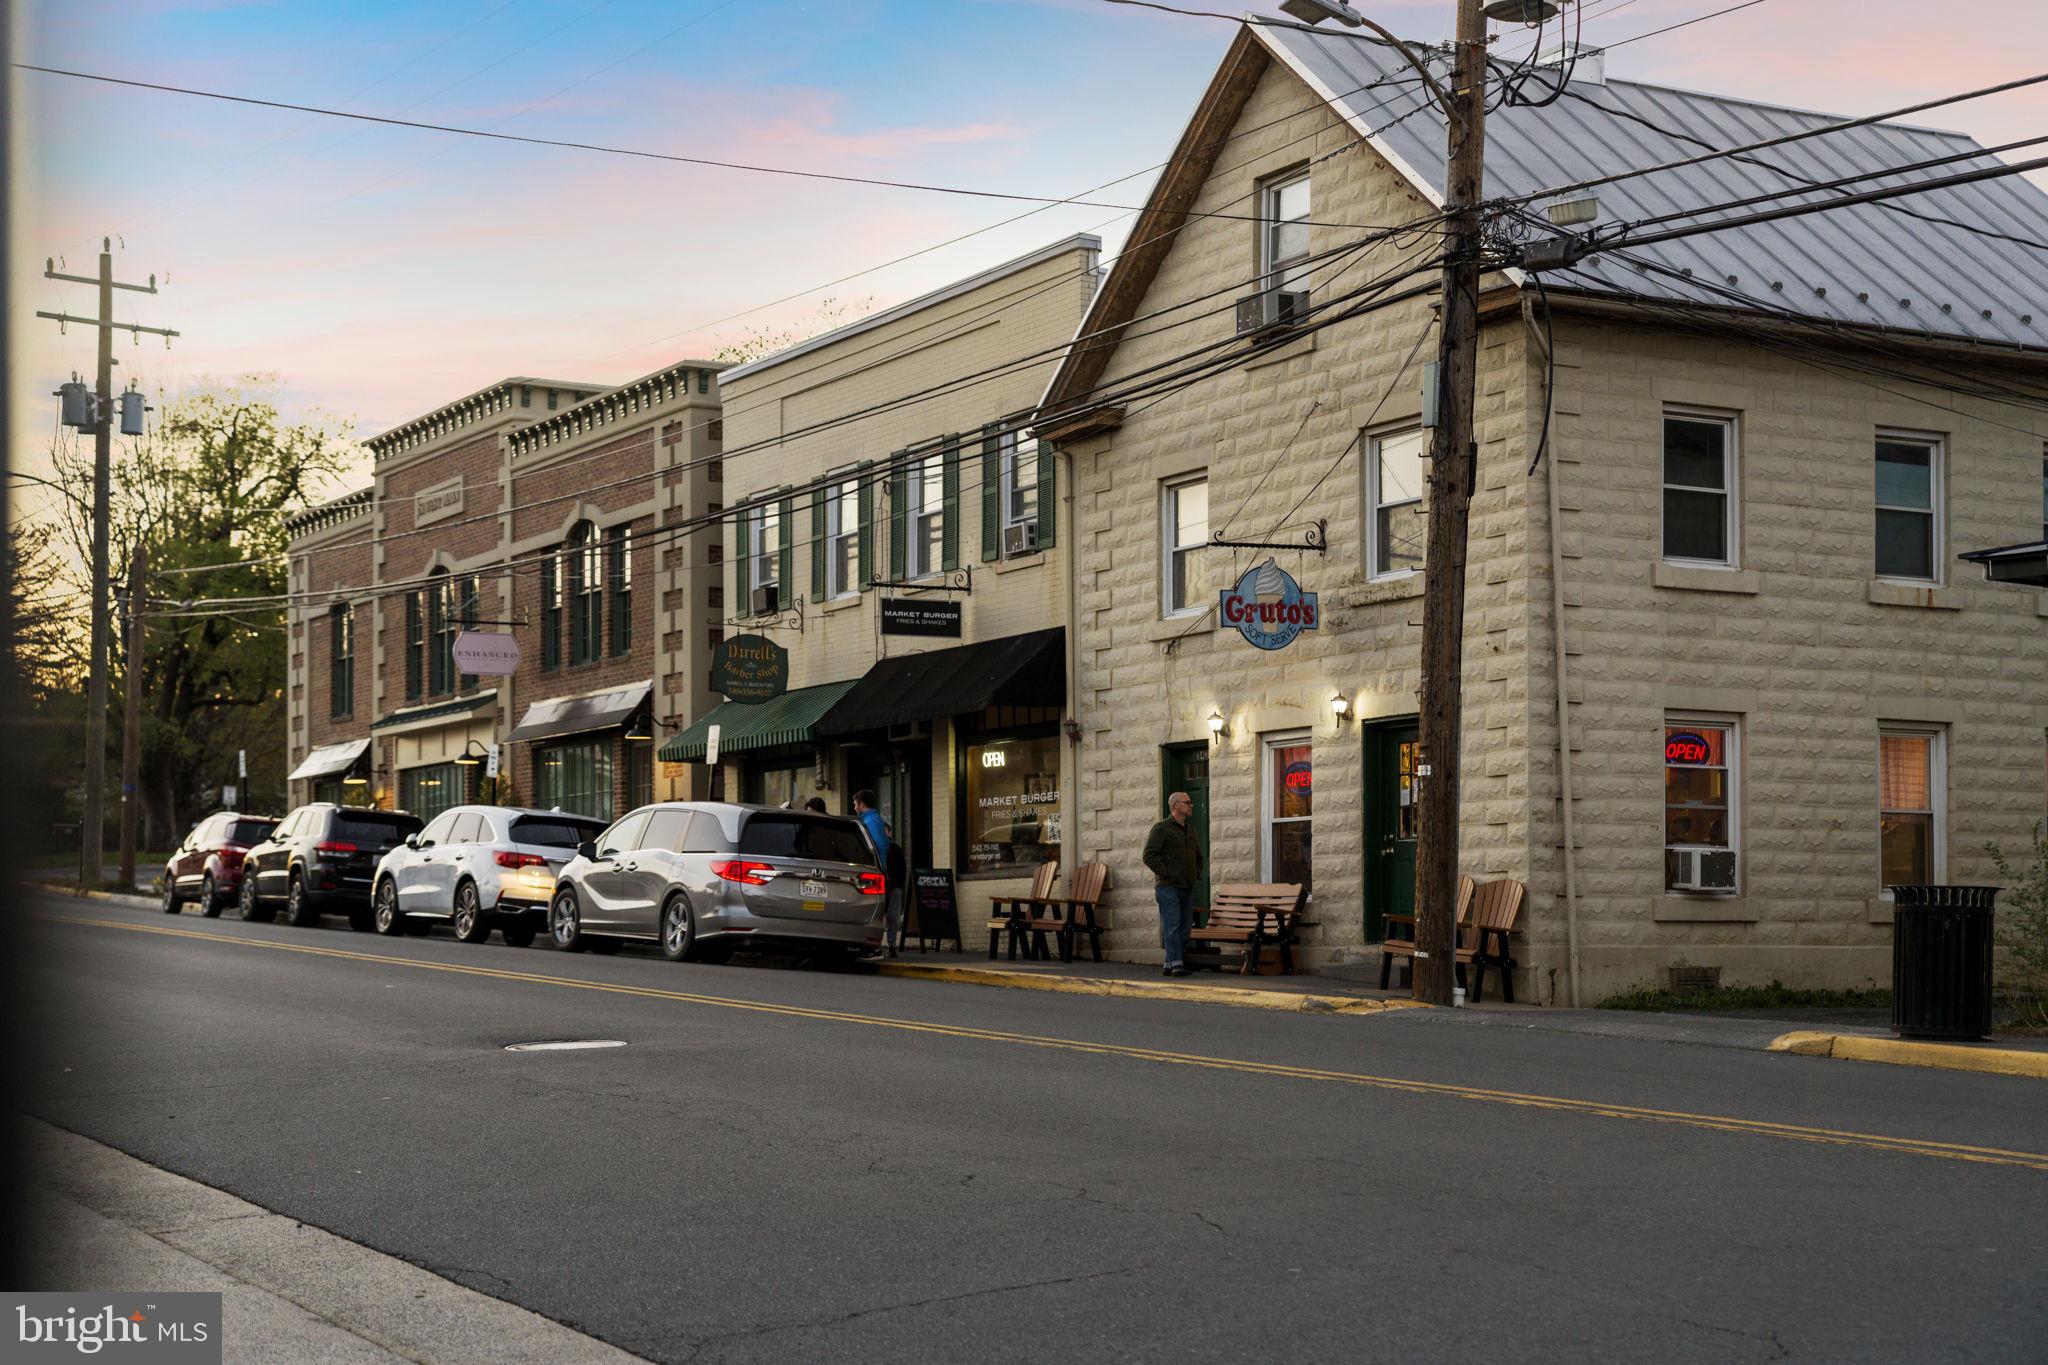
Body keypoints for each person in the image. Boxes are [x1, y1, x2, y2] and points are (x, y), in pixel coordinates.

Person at [1143, 790, 1203, 977]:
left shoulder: (1191, 830)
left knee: (1185, 928)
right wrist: (1166, 873)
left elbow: (1198, 856)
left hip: (1187, 886)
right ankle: (1177, 964)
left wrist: (1196, 874)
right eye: (1187, 802)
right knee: (1172, 925)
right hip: (1168, 886)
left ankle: (1169, 963)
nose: (1191, 805)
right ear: (1175, 805)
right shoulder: (1162, 828)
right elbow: (1149, 855)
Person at [882, 821, 909, 955]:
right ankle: (877, 945)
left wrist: (899, 886)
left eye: (885, 831)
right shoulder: (876, 847)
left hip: (893, 887)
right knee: (879, 917)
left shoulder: (895, 849)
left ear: (890, 832)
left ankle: (891, 946)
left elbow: (902, 869)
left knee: (893, 918)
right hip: (881, 887)